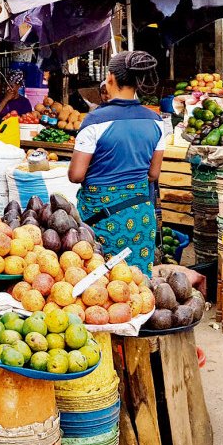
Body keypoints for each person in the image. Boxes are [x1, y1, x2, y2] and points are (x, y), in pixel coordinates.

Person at [67, 51, 166, 277]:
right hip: (141, 218)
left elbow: (76, 175)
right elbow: (153, 173)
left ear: (110, 77)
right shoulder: (156, 121)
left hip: (102, 219)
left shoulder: (95, 120)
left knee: (103, 284)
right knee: (137, 283)